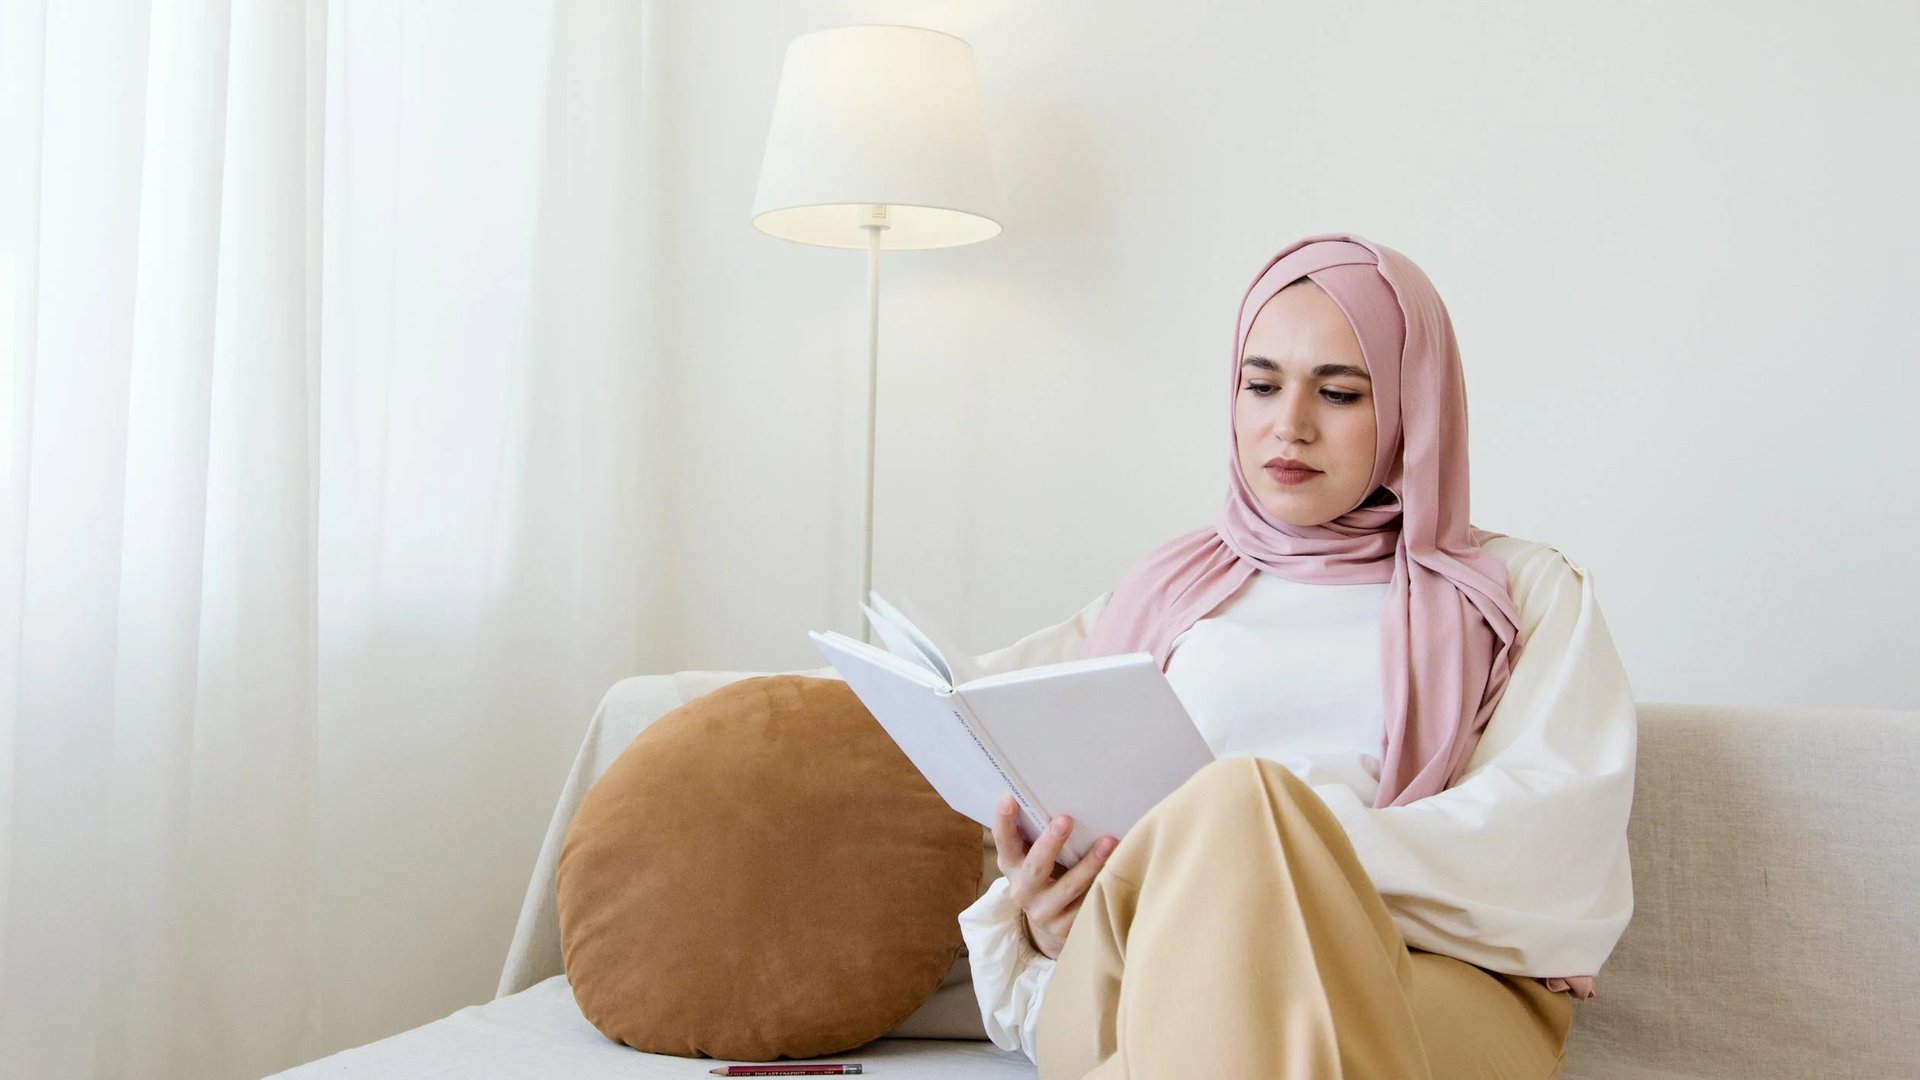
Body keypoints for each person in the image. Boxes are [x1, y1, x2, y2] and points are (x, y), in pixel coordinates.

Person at [956, 233, 1637, 1079]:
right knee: (1231, 831)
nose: (1290, 425)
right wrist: (1058, 913)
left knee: (1241, 802)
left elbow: (1542, 847)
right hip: (1133, 971)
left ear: (1411, 405)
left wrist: (1253, 849)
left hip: (1422, 980)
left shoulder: (1521, 590)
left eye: (1341, 392)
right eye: (1262, 384)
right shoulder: (1169, 587)